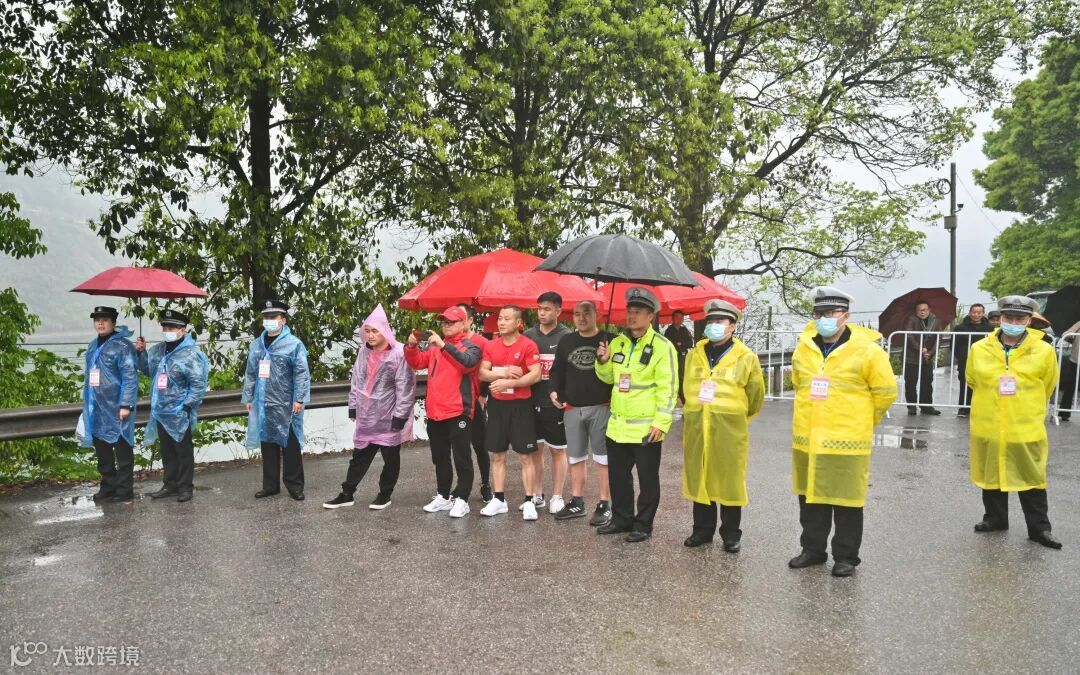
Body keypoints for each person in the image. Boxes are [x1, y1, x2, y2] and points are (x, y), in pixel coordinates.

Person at [788, 287, 897, 577]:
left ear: (846, 316)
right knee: (811, 497)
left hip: (847, 438)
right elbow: (798, 383)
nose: (824, 319)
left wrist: (863, 420)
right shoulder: (804, 347)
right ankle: (812, 549)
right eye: (819, 313)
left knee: (847, 500)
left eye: (831, 313)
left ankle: (846, 556)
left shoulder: (867, 350)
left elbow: (886, 391)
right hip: (809, 437)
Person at [967, 295, 1061, 549]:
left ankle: (1039, 528)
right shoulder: (979, 348)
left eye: (1020, 319)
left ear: (1029, 320)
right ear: (1000, 318)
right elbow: (972, 379)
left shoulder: (1043, 350)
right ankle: (995, 518)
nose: (1014, 323)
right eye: (1009, 317)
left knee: (1032, 476)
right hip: (989, 421)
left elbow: (1049, 384)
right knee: (992, 472)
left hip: (1025, 423)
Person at [594, 287, 678, 543]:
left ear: (651, 316)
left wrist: (661, 422)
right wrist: (603, 361)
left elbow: (668, 388)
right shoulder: (617, 343)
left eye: (638, 312)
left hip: (646, 428)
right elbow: (607, 378)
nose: (632, 316)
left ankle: (643, 524)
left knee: (647, 480)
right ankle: (622, 518)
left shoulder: (663, 346)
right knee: (618, 477)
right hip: (617, 426)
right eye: (629, 311)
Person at [682, 300, 764, 552]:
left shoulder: (746, 357)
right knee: (701, 475)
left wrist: (735, 417)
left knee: (729, 480)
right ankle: (702, 530)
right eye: (710, 321)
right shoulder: (695, 354)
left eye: (719, 321)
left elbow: (756, 395)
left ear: (732, 326)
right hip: (698, 426)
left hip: (729, 429)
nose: (713, 325)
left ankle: (731, 534)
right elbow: (686, 388)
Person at [324, 305, 416, 510]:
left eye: (375, 331)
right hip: (367, 415)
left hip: (389, 416)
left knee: (390, 459)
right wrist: (353, 406)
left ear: (385, 330)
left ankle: (385, 494)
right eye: (367, 331)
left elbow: (405, 386)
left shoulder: (399, 353)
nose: (371, 335)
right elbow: (356, 380)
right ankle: (347, 493)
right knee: (359, 456)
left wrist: (400, 415)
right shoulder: (364, 352)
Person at [404, 306, 482, 518]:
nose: (446, 325)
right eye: (444, 322)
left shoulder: (471, 347)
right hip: (436, 411)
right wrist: (411, 346)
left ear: (463, 324)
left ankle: (462, 499)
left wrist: (443, 345)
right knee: (440, 457)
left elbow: (467, 364)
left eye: (451, 322)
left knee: (462, 457)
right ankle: (444, 495)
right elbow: (417, 362)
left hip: (458, 411)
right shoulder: (435, 347)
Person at [548, 300, 613, 525]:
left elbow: (618, 371)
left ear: (596, 314)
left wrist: (606, 359)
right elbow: (557, 371)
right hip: (572, 408)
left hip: (602, 407)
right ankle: (577, 501)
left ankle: (604, 504)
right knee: (575, 457)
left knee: (604, 458)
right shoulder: (567, 341)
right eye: (577, 314)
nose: (581, 318)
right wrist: (553, 390)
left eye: (586, 313)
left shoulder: (610, 339)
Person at [135, 309, 209, 503]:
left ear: (182, 330)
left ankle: (185, 487)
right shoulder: (158, 350)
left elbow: (198, 384)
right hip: (161, 410)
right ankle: (170, 485)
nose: (167, 331)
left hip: (179, 410)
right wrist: (141, 353)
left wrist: (187, 406)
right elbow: (148, 370)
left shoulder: (191, 354)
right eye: (165, 327)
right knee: (167, 450)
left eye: (172, 328)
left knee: (183, 451)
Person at [242, 299, 312, 501]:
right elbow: (250, 373)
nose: (269, 320)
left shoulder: (294, 344)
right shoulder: (257, 345)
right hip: (263, 403)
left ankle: (295, 485)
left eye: (273, 317)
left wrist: (299, 399)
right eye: (266, 317)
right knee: (268, 444)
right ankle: (270, 485)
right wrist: (249, 397)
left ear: (283, 320)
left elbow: (301, 374)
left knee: (290, 445)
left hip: (286, 404)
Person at [479, 306, 543, 520]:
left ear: (518, 323)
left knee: (526, 456)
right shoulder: (491, 345)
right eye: (500, 318)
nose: (501, 322)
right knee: (497, 454)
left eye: (507, 319)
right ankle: (499, 499)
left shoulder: (528, 344)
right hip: (497, 406)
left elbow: (535, 375)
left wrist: (510, 383)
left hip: (521, 406)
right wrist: (505, 373)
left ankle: (529, 500)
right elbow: (482, 373)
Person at [81, 306, 138, 503]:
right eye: (97, 320)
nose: (100, 323)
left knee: (122, 451)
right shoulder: (93, 346)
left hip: (117, 407)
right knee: (103, 451)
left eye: (104, 319)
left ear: (113, 323)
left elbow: (130, 377)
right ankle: (108, 486)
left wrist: (126, 404)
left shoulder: (122, 346)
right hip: (96, 408)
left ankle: (124, 490)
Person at [524, 291, 572, 514]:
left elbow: (571, 371)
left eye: (547, 309)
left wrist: (565, 395)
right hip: (531, 400)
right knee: (535, 451)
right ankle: (537, 495)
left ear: (558, 311)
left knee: (558, 451)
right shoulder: (528, 335)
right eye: (539, 309)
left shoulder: (567, 336)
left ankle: (557, 496)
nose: (542, 313)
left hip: (556, 403)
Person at [457, 304, 493, 502]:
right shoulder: (448, 342)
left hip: (476, 399)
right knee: (460, 447)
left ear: (470, 320)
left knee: (480, 445)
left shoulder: (482, 342)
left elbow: (489, 368)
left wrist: (483, 395)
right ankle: (462, 486)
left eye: (462, 318)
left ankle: (486, 484)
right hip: (456, 402)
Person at [954, 303, 992, 417]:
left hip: (984, 360)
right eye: (974, 312)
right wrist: (959, 357)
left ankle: (980, 408)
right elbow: (954, 345)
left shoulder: (990, 329)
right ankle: (963, 408)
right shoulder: (960, 328)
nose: (976, 315)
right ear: (970, 313)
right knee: (964, 383)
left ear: (983, 313)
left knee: (982, 384)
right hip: (965, 360)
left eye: (979, 312)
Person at [903, 300, 941, 415]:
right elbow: (909, 336)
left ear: (929, 310)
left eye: (924, 310)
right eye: (920, 310)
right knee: (910, 382)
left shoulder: (935, 321)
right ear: (916, 311)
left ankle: (926, 406)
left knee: (927, 382)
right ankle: (912, 406)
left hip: (927, 358)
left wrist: (931, 352)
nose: (922, 312)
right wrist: (920, 348)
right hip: (911, 357)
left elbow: (939, 338)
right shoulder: (911, 320)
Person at [664, 310, 694, 404]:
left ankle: (685, 400)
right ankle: (672, 399)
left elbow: (690, 343)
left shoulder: (684, 329)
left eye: (681, 318)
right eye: (677, 318)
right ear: (673, 319)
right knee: (674, 378)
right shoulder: (669, 330)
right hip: (672, 358)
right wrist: (677, 344)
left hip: (683, 357)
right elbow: (667, 344)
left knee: (683, 378)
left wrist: (681, 344)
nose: (679, 320)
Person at [1058, 319, 1080, 421]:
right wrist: (1070, 334)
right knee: (1070, 386)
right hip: (1076, 360)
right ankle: (1064, 413)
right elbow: (1066, 334)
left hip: (1075, 359)